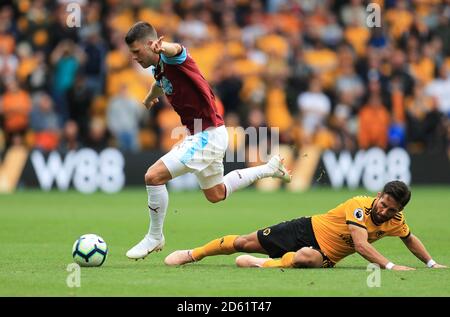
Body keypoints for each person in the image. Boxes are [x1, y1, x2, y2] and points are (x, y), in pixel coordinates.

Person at [124, 22, 291, 259]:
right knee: (216, 194)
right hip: (206, 134)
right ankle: (269, 168)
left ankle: (155, 236)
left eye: (137, 52)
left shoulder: (173, 57)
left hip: (207, 135)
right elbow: (161, 83)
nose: (134, 57)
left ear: (152, 45)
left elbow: (177, 50)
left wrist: (166, 47)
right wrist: (151, 96)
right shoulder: (159, 68)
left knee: (153, 176)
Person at [165, 181, 447, 271]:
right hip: (306, 228)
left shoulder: (396, 221)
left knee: (305, 258)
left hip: (325, 254)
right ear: (378, 197)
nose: (385, 211)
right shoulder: (358, 206)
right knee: (242, 242)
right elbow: (360, 245)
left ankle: (259, 264)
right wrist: (390, 266)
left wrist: (432, 264)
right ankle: (194, 254)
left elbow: (410, 239)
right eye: (384, 203)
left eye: (392, 209)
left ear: (399, 210)